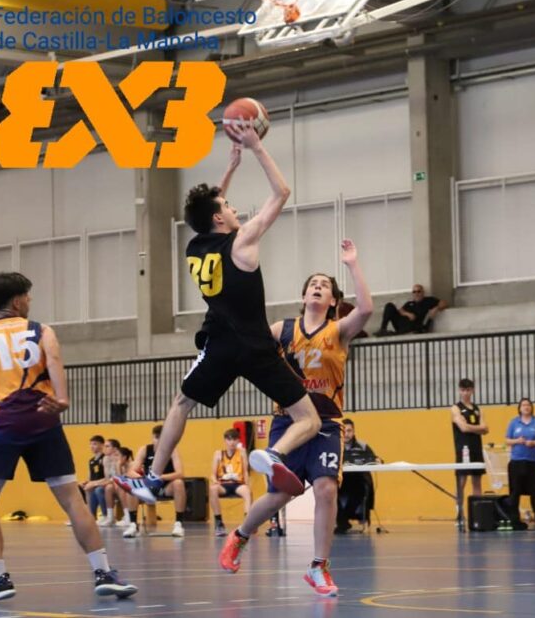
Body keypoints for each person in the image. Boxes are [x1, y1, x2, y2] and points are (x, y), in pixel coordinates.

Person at [115, 121, 322, 505]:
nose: (233, 207)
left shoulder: (195, 247)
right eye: (227, 206)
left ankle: (153, 479)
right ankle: (274, 454)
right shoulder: (242, 243)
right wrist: (255, 147)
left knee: (182, 404)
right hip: (257, 346)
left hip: (220, 345)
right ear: (219, 218)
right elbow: (282, 192)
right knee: (308, 419)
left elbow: (208, 211)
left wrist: (230, 167)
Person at [0, 272, 136, 603]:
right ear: (17, 301)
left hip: (1, 426)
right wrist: (61, 400)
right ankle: (104, 573)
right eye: (28, 296)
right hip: (43, 421)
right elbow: (55, 361)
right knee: (72, 500)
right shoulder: (41, 331)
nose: (30, 300)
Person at [218, 238, 373, 598]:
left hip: (328, 423)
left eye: (325, 286)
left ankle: (318, 566)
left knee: (326, 488)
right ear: (303, 296)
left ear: (333, 301)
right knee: (279, 496)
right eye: (313, 284)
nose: (318, 287)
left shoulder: (338, 331)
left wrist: (352, 264)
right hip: (289, 422)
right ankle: (240, 535)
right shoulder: (282, 330)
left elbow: (366, 308)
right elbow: (251, 346)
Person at [133, 425, 185, 537]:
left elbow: (180, 473)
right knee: (131, 484)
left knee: (179, 483)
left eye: (162, 438)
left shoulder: (172, 450)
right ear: (152, 438)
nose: (159, 441)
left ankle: (178, 523)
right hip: (148, 487)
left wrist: (159, 477)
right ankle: (132, 524)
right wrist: (142, 478)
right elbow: (133, 471)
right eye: (156, 438)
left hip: (165, 487)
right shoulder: (145, 450)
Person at [505, 398, 535, 523]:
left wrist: (534, 443)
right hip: (516, 461)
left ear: (531, 407)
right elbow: (507, 440)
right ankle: (514, 516)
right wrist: (517, 441)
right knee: (515, 490)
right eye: (523, 405)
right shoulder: (514, 422)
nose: (526, 407)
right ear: (519, 408)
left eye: (528, 405)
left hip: (533, 462)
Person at [451, 378, 488, 522]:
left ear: (472, 390)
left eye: (468, 390)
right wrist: (478, 428)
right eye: (463, 390)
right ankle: (459, 513)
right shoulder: (456, 408)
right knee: (461, 482)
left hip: (476, 448)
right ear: (459, 391)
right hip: (463, 449)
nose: (465, 393)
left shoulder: (478, 409)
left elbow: (486, 429)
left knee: (477, 482)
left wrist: (471, 427)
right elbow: (463, 428)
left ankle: (477, 514)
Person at [336, 418, 379, 534]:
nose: (346, 434)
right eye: (344, 431)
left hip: (359, 480)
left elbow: (374, 459)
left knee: (362, 489)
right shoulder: (335, 446)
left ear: (354, 431)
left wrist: (377, 460)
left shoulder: (363, 446)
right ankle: (342, 523)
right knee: (331, 491)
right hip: (342, 480)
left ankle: (364, 522)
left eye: (349, 431)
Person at [209, 429, 251, 536]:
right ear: (225, 441)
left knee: (247, 491)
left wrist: (247, 484)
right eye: (229, 439)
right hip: (223, 485)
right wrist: (215, 482)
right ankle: (219, 522)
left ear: (238, 441)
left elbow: (245, 471)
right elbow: (213, 474)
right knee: (212, 489)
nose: (231, 442)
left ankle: (248, 522)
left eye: (234, 439)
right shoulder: (218, 454)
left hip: (238, 484)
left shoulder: (241, 452)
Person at [377, 284, 447, 335]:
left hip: (414, 326)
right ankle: (383, 329)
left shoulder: (428, 301)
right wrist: (408, 314)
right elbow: (400, 310)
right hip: (401, 325)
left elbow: (444, 303)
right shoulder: (410, 303)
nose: (416, 294)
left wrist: (436, 308)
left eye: (418, 291)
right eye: (414, 292)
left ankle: (397, 333)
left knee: (414, 324)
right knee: (389, 306)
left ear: (423, 292)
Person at [81, 435, 109, 525]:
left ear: (102, 445)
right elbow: (90, 478)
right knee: (80, 488)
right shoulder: (91, 461)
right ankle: (89, 516)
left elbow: (108, 477)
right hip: (94, 484)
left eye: (95, 444)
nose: (92, 446)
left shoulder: (105, 458)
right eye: (90, 444)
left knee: (97, 490)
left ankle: (105, 515)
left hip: (103, 484)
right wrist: (86, 482)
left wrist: (93, 483)